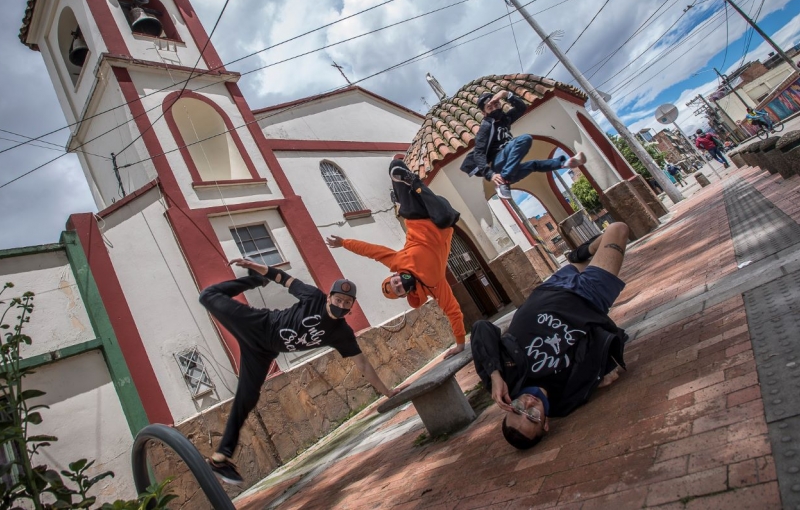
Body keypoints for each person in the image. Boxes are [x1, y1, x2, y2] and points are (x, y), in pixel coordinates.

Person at [199, 259, 402, 484]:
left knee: (246, 398)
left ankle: (220, 459)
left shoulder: (341, 333)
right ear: (329, 297)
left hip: (262, 352)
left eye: (347, 303)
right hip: (259, 324)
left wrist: (388, 392)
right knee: (207, 296)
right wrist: (256, 269)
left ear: (351, 306)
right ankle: (252, 281)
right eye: (338, 299)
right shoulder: (313, 296)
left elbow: (362, 364)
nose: (341, 305)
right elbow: (282, 278)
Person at [471, 223, 629, 450]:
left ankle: (583, 254)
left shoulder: (503, 381)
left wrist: (494, 375)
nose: (528, 406)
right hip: (589, 297)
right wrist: (602, 373)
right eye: (533, 417)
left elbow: (481, 328)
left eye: (518, 410)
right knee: (618, 230)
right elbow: (595, 359)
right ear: (545, 425)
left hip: (550, 290)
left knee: (582, 259)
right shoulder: (567, 400)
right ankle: (584, 253)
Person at [326, 159, 466, 359]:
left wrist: (344, 243)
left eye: (395, 281)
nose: (400, 282)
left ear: (394, 275)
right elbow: (453, 311)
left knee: (395, 166)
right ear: (405, 294)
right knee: (446, 218)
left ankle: (401, 193)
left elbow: (371, 251)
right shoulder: (434, 286)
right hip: (440, 216)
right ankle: (413, 185)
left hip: (416, 215)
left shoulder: (396, 262)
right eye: (399, 288)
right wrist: (460, 344)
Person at [459, 90, 587, 199]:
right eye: (489, 107)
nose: (494, 109)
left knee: (533, 165)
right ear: (484, 113)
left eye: (496, 104)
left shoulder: (505, 120)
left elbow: (521, 108)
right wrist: (490, 175)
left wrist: (506, 94)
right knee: (525, 139)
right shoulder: (486, 126)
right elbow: (478, 153)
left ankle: (565, 163)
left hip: (507, 173)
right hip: (497, 166)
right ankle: (503, 180)